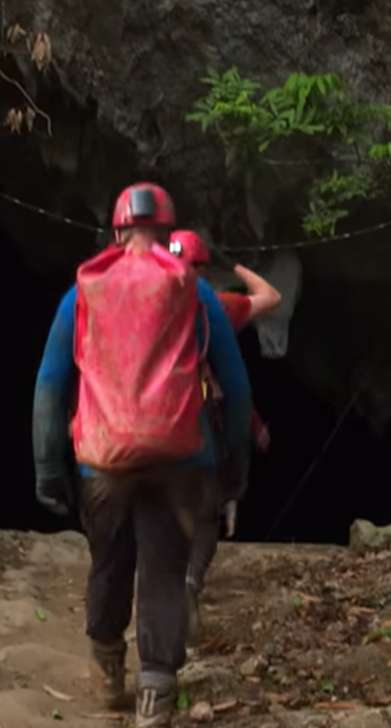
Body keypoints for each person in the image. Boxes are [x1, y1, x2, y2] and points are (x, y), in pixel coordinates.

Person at [31, 184, 253, 728]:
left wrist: (48, 467)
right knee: (164, 568)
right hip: (182, 461)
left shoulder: (85, 291)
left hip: (102, 465)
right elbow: (237, 388)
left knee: (109, 560)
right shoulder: (194, 292)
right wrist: (235, 470)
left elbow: (51, 383)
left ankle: (109, 666)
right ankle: (156, 692)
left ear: (117, 232)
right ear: (169, 232)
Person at [167, 229, 279, 647]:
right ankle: (190, 583)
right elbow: (271, 296)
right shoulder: (217, 305)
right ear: (203, 268)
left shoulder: (144, 301)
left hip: (142, 423)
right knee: (206, 514)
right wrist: (229, 262)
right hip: (198, 421)